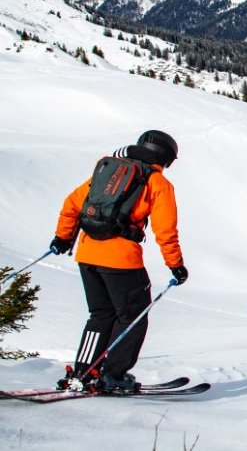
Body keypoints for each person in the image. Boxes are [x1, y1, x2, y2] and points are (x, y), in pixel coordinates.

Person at [49, 130, 188, 392]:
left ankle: (84, 372)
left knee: (100, 314)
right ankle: (112, 376)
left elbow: (71, 204)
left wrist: (63, 238)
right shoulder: (157, 183)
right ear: (166, 157)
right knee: (133, 317)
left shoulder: (108, 171)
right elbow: (166, 230)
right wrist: (176, 265)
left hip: (87, 255)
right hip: (121, 261)